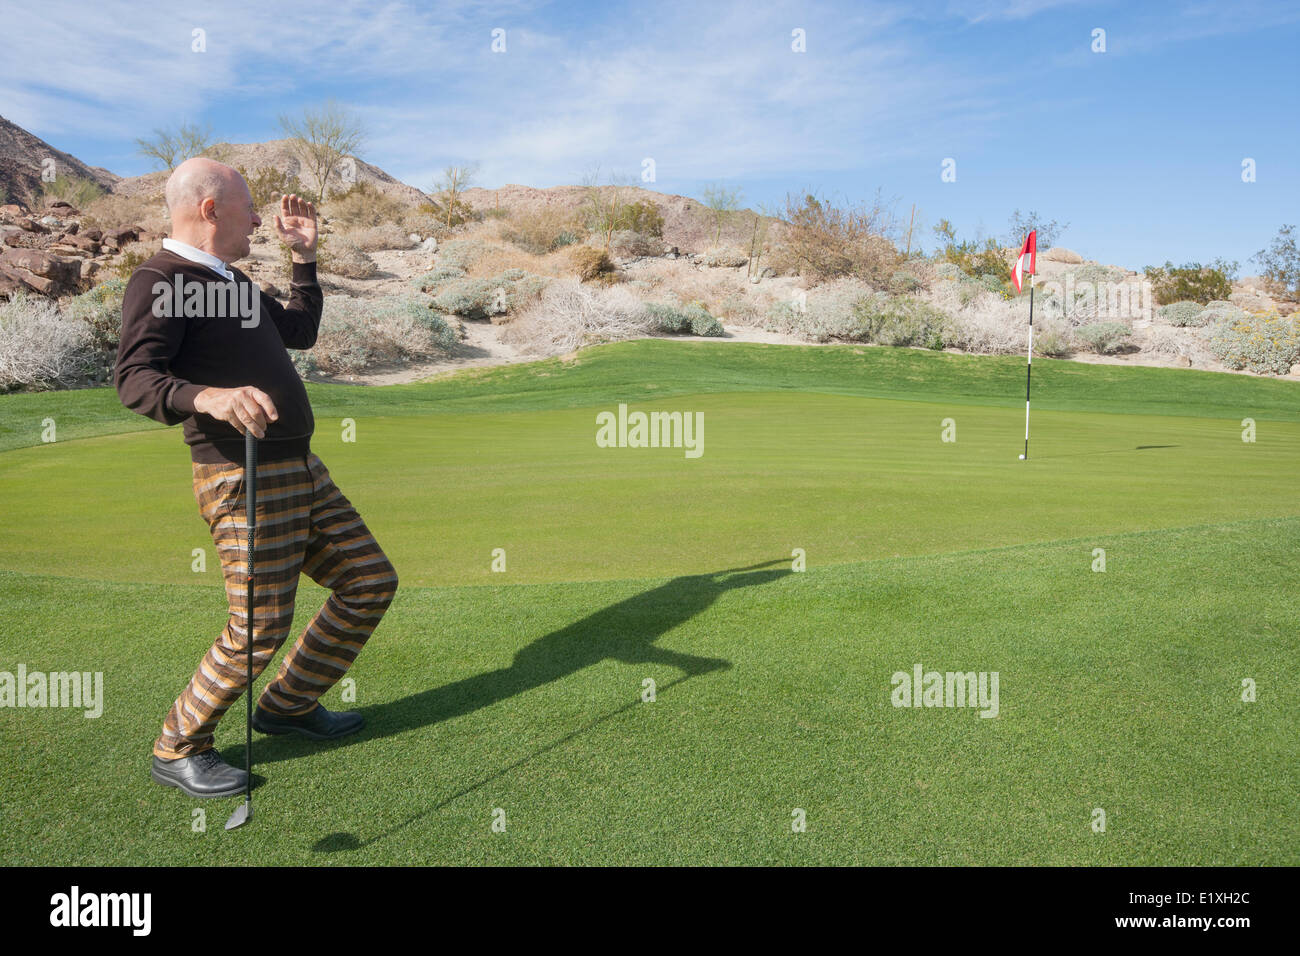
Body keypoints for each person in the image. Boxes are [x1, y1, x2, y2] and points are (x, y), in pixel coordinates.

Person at [115, 157, 398, 798]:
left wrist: (304, 259)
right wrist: (207, 397)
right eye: (248, 207)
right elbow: (135, 379)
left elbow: (299, 331)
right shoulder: (161, 279)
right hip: (241, 477)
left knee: (368, 581)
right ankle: (178, 745)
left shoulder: (233, 281)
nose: (259, 219)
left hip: (300, 466)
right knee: (259, 625)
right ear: (211, 210)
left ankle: (287, 705)